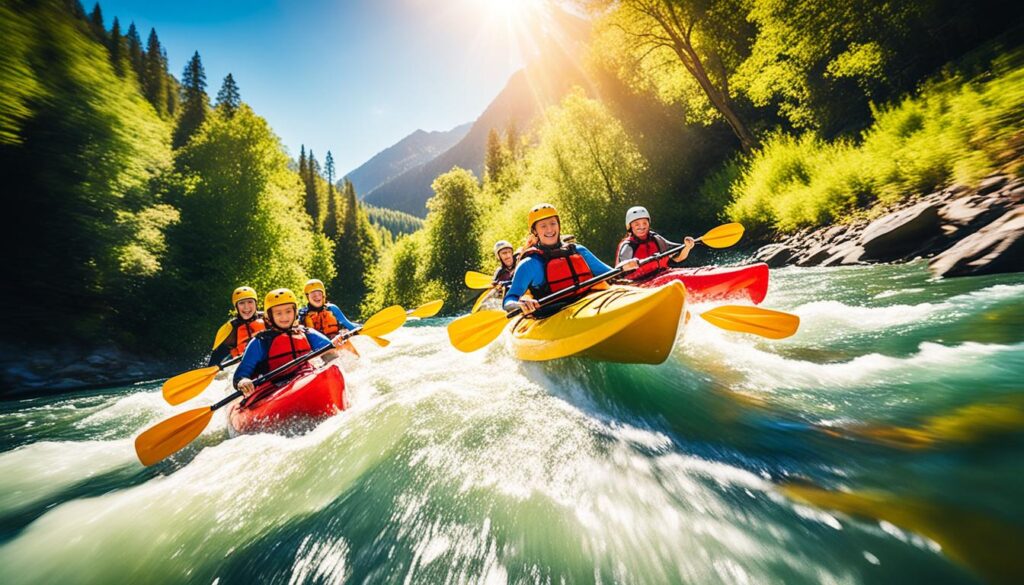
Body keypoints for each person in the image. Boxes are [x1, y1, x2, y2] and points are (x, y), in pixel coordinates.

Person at [503, 203, 638, 316]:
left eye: (553, 223)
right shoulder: (530, 264)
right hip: (554, 315)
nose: (550, 229)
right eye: (543, 226)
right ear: (535, 231)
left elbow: (610, 274)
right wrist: (519, 304)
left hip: (590, 303)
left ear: (559, 225)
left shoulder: (578, 250)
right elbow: (508, 300)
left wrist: (623, 267)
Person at [234, 288, 348, 396]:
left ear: (295, 312)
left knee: (330, 357)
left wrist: (333, 346)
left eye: (288, 311)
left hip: (306, 377)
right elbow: (241, 374)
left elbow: (329, 351)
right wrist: (243, 381)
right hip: (274, 389)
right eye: (278, 313)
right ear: (269, 316)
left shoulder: (306, 333)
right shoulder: (260, 342)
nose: (285, 317)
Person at [615, 206, 695, 281]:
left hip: (663, 276)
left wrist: (687, 247)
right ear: (630, 227)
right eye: (637, 224)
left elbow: (678, 258)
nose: (642, 226)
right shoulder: (628, 246)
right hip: (638, 282)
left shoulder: (656, 239)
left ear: (648, 224)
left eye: (644, 223)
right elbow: (619, 270)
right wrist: (628, 264)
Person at [208, 286, 266, 366]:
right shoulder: (230, 329)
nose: (246, 307)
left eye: (250, 302)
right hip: (243, 363)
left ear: (256, 304)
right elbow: (215, 359)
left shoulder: (269, 318)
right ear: (236, 307)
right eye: (241, 303)